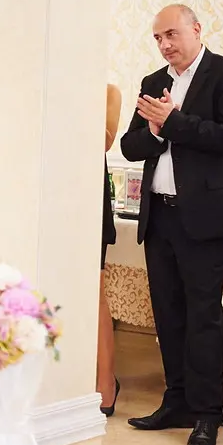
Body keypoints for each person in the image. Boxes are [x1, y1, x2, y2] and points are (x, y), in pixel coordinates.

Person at [121, 4, 223, 445]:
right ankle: (175, 401)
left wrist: (172, 122)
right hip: (160, 216)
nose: (165, 45)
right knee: (169, 314)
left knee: (202, 317)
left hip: (205, 218)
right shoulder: (152, 82)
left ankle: (207, 414)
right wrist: (157, 132)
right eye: (158, 38)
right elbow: (130, 145)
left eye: (172, 34)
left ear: (196, 30)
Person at [98, 83, 123, 416]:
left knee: (94, 290)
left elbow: (103, 141)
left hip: (89, 194)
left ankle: (106, 383)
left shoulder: (108, 93)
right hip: (48, 191)